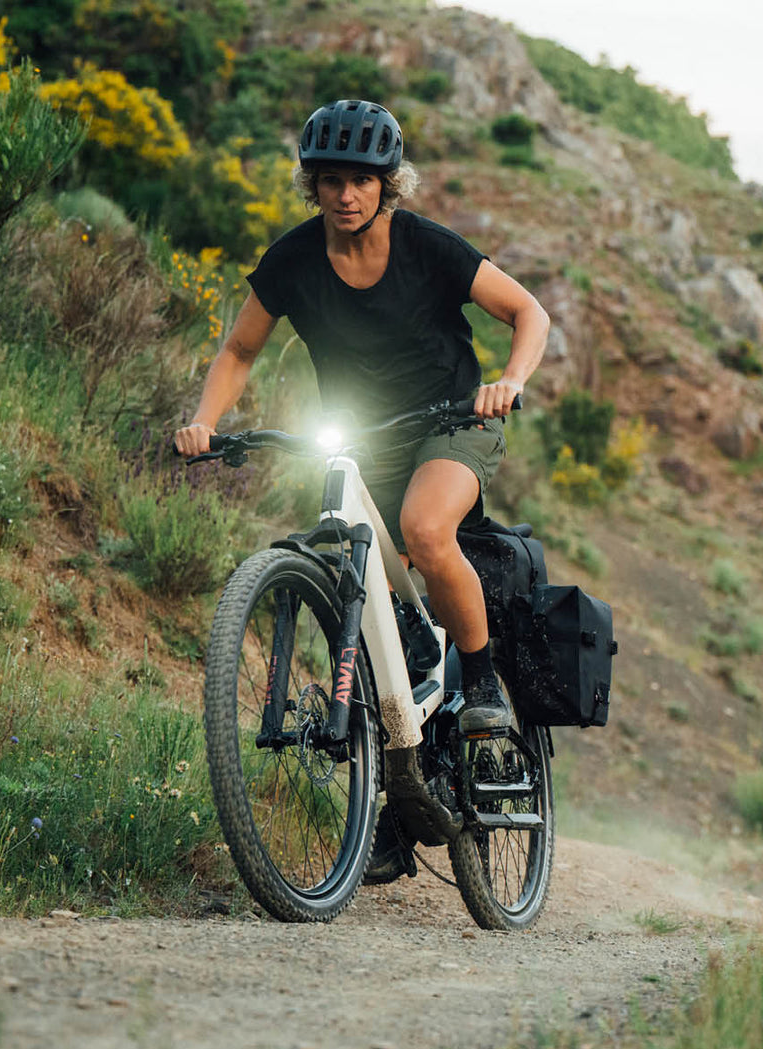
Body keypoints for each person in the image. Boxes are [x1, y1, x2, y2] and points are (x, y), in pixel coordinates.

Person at [174, 98, 550, 883]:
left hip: (452, 420)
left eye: (362, 181)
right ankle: (395, 804)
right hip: (363, 435)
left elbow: (528, 312)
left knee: (424, 529)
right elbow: (240, 349)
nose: (346, 195)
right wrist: (205, 421)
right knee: (359, 587)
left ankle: (480, 684)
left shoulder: (427, 248)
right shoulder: (293, 261)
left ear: (390, 184)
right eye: (331, 181)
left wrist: (508, 382)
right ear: (312, 186)